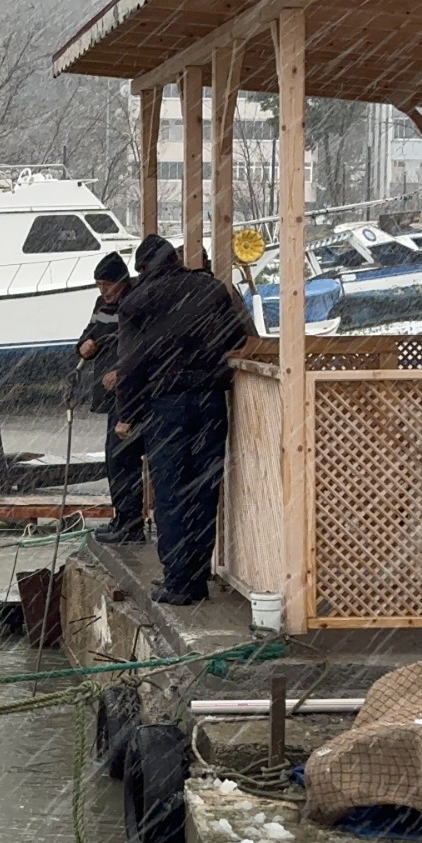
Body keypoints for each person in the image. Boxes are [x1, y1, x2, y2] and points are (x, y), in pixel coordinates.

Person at [114, 234, 252, 605]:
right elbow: (239, 334)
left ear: (143, 268)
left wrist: (126, 414)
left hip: (166, 406)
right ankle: (197, 576)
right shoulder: (210, 289)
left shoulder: (136, 303)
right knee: (205, 491)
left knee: (172, 493)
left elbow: (129, 365)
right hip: (211, 401)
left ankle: (178, 582)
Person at [76, 251, 144, 545]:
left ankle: (131, 524)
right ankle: (121, 518)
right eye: (99, 285)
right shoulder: (101, 304)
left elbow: (142, 347)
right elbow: (89, 332)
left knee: (123, 459)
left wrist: (121, 372)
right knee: (113, 460)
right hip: (109, 395)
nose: (103, 291)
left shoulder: (136, 302)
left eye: (107, 284)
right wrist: (84, 346)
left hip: (131, 393)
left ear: (122, 281)